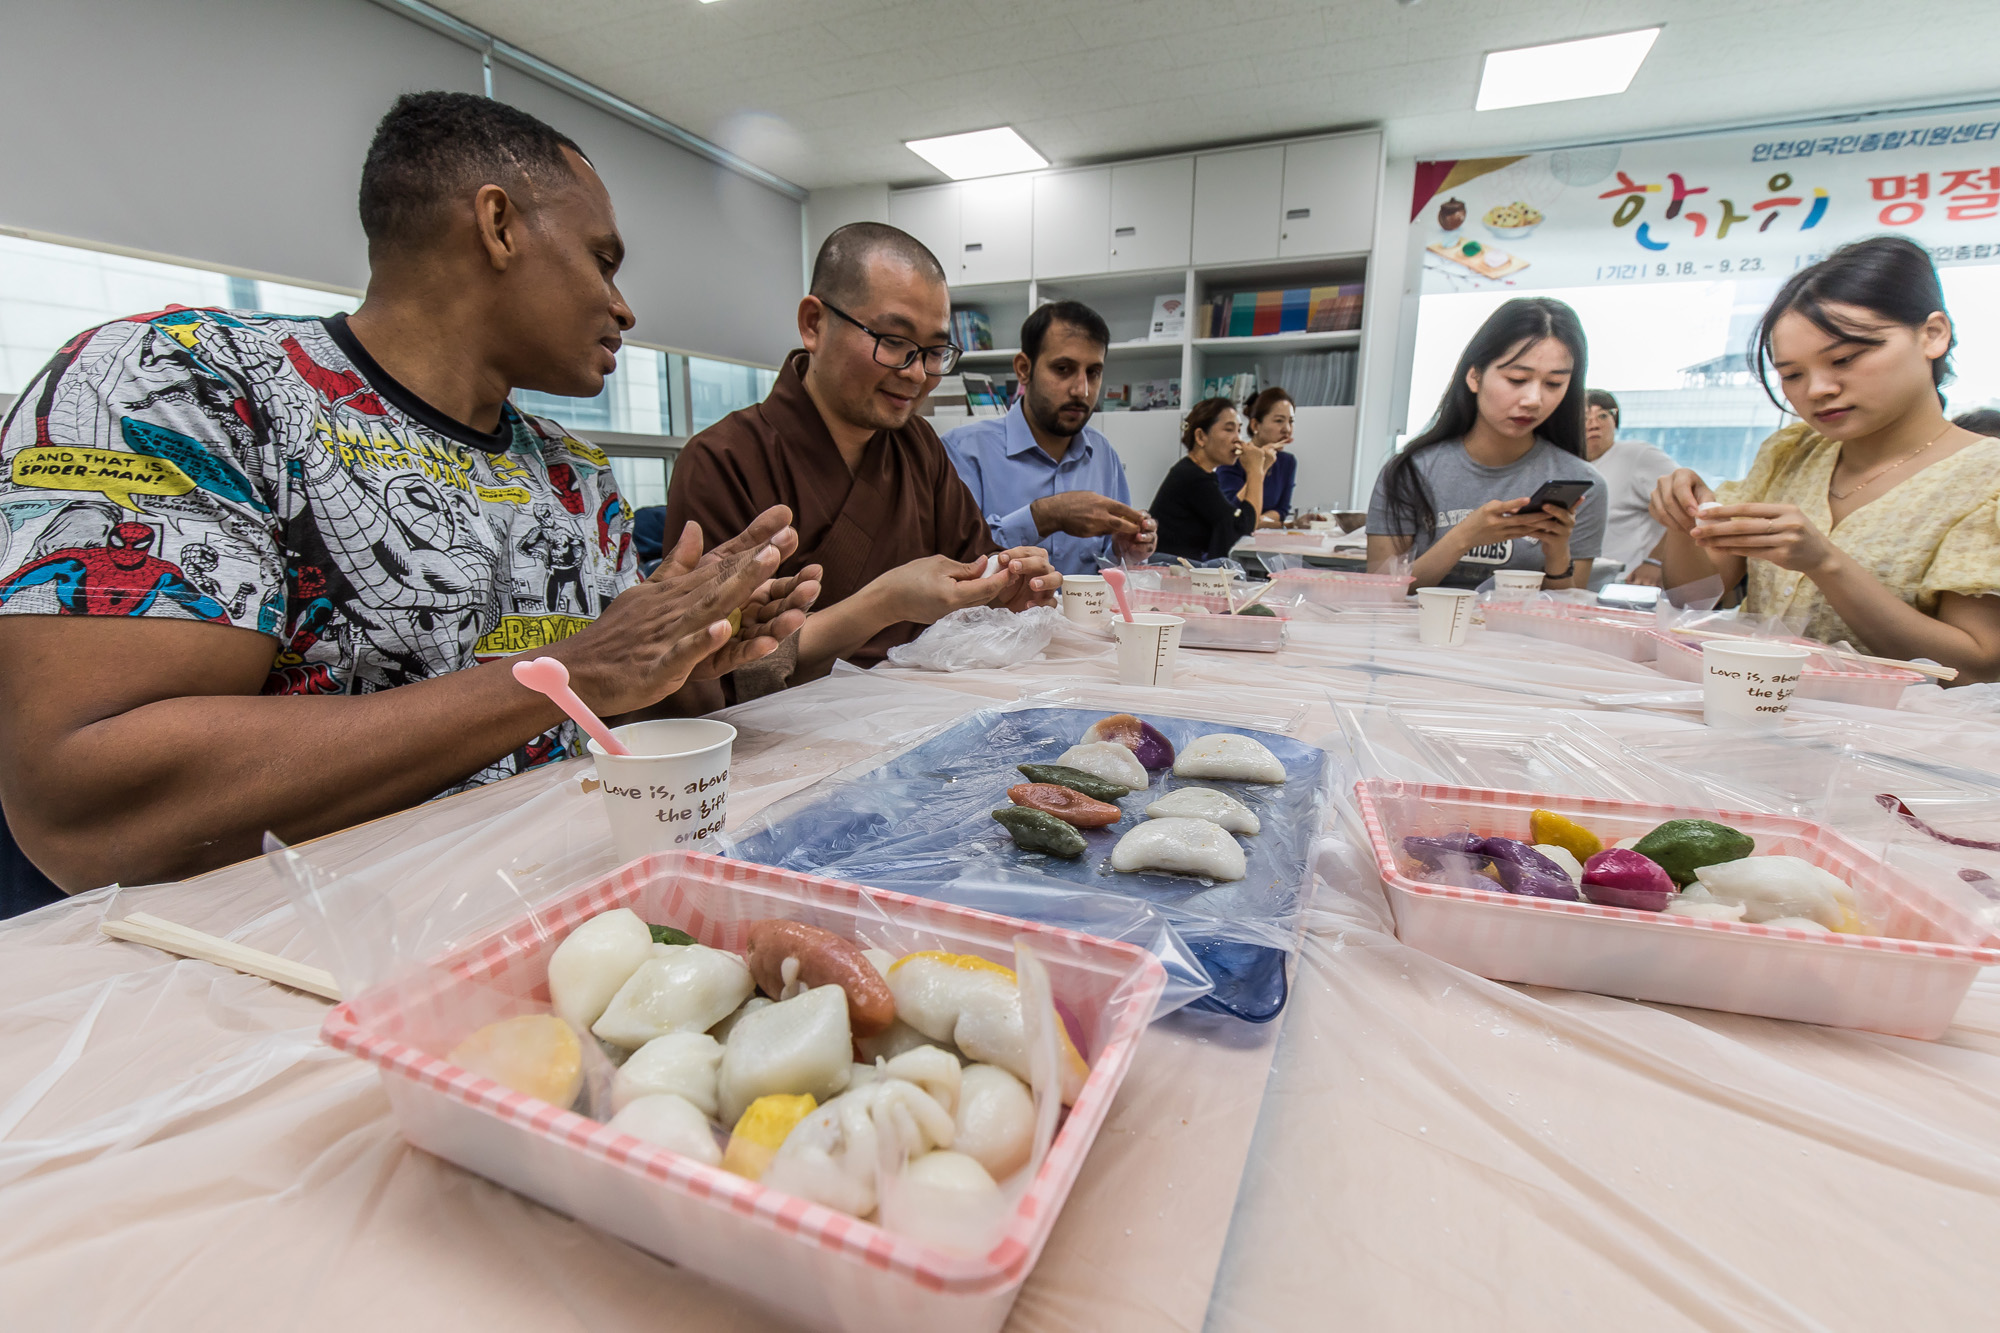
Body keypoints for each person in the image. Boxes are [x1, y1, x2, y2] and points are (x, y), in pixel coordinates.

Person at [0, 92, 819, 900]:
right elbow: (87, 804)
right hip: (273, 968)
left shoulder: (572, 472)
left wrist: (682, 664)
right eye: (603, 260)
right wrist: (575, 667)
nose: (623, 307)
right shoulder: (179, 384)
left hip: (555, 917)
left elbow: (602, 728)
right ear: (498, 226)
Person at [663, 222, 1057, 700]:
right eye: (893, 341)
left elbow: (970, 575)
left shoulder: (918, 446)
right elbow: (710, 669)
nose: (917, 374)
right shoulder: (721, 459)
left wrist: (1004, 590)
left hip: (918, 713)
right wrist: (885, 603)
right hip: (781, 739)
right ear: (814, 324)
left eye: (935, 351)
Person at [1650, 236, 2000, 678]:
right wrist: (1684, 521)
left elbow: (1976, 668)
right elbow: (1694, 601)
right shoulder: (1791, 453)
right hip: (1753, 712)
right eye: (1792, 374)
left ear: (1933, 335)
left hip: (1902, 740)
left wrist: (1825, 564)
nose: (1816, 390)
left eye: (1845, 359)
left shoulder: (1988, 477)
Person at [1366, 298, 1604, 590]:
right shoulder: (1410, 472)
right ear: (1474, 376)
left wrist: (1557, 553)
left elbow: (1566, 616)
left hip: (1520, 637)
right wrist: (1464, 537)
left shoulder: (1582, 482)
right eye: (1517, 379)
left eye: (1554, 384)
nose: (1534, 400)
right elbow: (1377, 594)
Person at [942, 300, 1156, 575]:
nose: (1082, 390)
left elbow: (1110, 569)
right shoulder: (965, 451)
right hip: (993, 619)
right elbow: (953, 562)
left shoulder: (1103, 454)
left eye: (1093, 372)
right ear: (1023, 369)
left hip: (1086, 618)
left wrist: (1125, 551)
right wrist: (1043, 517)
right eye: (1063, 369)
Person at [1582, 389, 1676, 586]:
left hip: (1627, 584)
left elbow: (1689, 507)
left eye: (1603, 416)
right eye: (1585, 417)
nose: (1594, 424)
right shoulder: (1569, 467)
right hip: (1582, 585)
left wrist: (1656, 561)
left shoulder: (1637, 455)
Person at [1150, 398, 1260, 561]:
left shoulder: (1197, 473)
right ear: (1201, 436)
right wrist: (1256, 471)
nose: (1238, 439)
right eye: (1229, 429)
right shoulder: (1192, 477)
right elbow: (1240, 528)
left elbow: (1233, 516)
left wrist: (1258, 470)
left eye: (1239, 430)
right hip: (1170, 572)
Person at [1215, 387, 1298, 527]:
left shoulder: (1287, 461)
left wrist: (1257, 521)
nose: (1287, 429)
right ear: (1255, 425)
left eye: (1291, 421)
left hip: (1266, 539)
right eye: (1279, 421)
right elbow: (1232, 513)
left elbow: (1282, 510)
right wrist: (1260, 468)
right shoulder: (1232, 459)